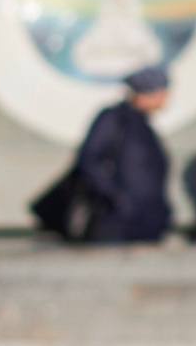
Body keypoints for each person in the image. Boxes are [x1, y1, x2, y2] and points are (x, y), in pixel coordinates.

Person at [35, 63, 173, 244]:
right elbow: (88, 159)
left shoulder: (141, 124)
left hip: (145, 224)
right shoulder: (115, 119)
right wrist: (116, 199)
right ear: (147, 93)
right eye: (162, 92)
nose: (166, 98)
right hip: (115, 224)